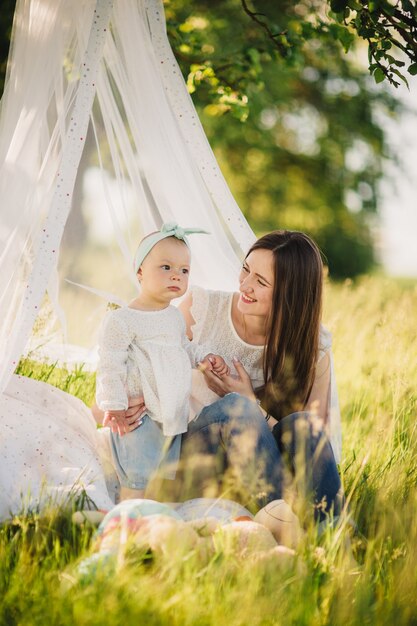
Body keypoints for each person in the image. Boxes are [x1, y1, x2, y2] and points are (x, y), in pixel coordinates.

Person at [143, 229, 343, 523]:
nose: (244, 286)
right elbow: (151, 371)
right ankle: (283, 528)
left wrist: (252, 402)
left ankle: (330, 537)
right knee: (236, 409)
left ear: (291, 294)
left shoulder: (313, 347)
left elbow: (314, 445)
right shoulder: (202, 309)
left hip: (260, 469)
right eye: (246, 270)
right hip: (192, 457)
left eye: (261, 282)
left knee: (303, 425)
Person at [96, 222, 228, 501]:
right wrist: (115, 406)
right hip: (138, 414)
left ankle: (150, 520)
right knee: (137, 473)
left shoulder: (174, 317)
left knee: (159, 480)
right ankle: (127, 518)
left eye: (184, 270)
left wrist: (204, 357)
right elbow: (110, 365)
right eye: (166, 267)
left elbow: (182, 348)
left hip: (169, 413)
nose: (176, 276)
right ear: (140, 272)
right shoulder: (123, 320)